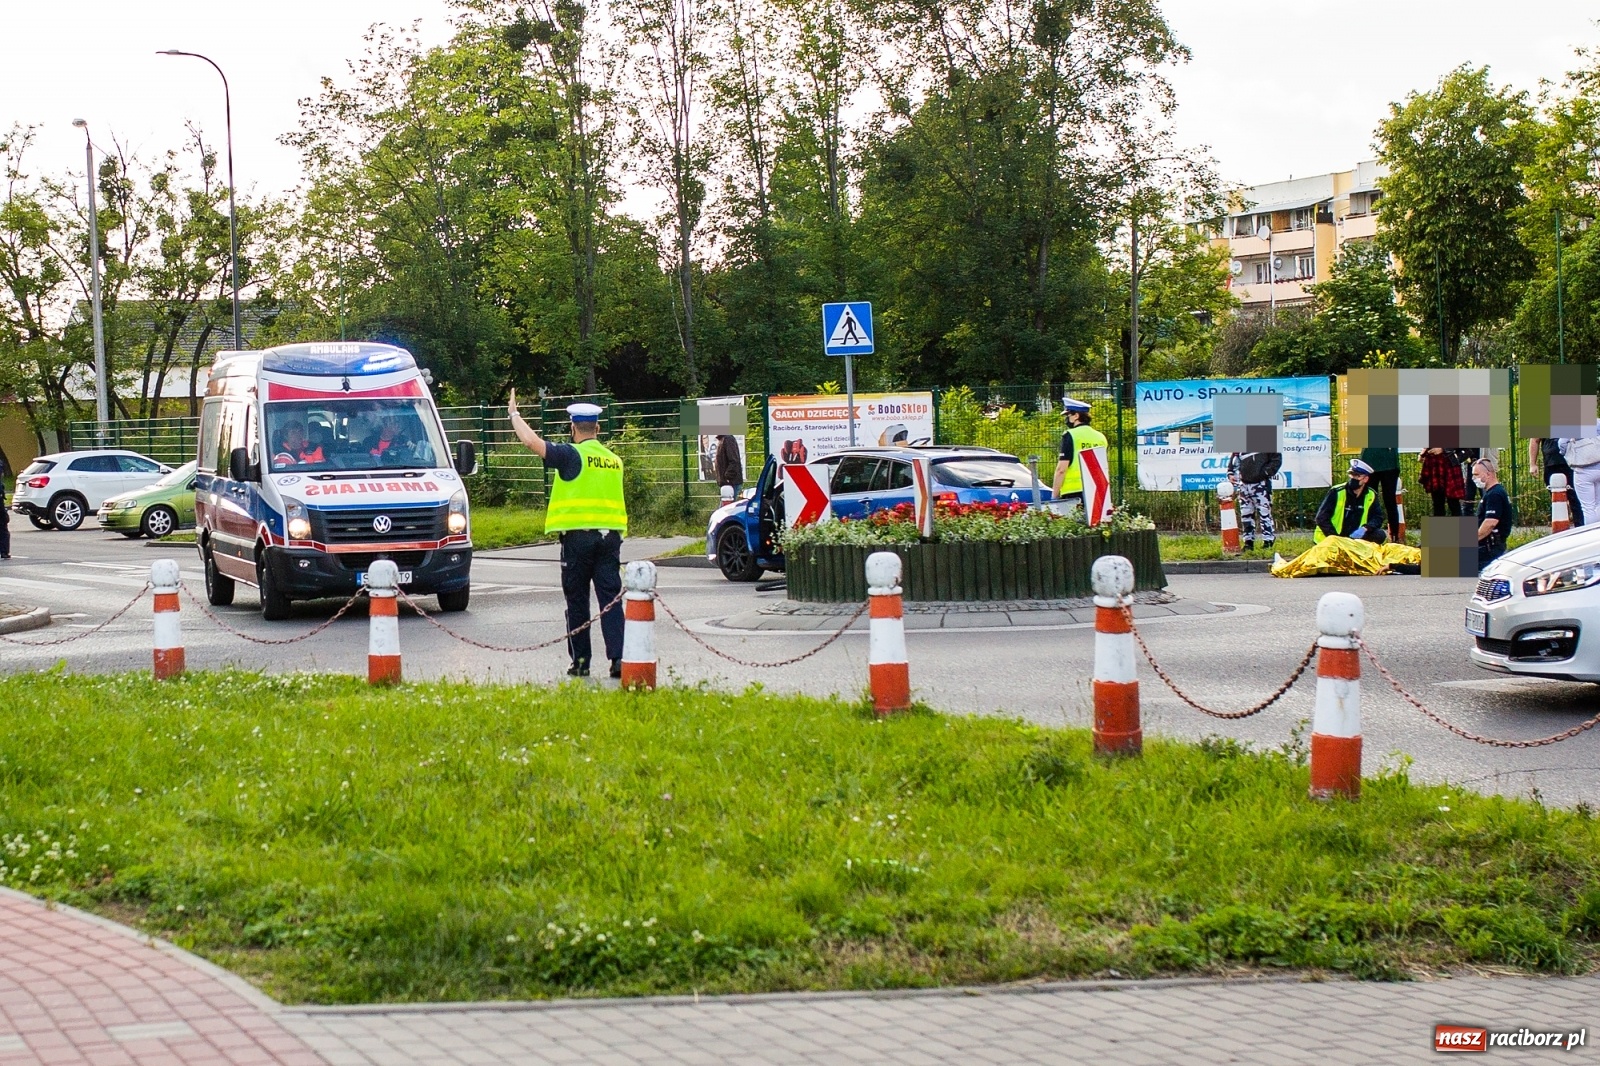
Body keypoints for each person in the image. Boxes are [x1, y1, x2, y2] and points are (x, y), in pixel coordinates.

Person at [509, 393, 628, 678]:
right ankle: (619, 659)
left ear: (573, 428)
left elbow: (531, 442)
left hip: (578, 540)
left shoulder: (571, 455)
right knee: (610, 600)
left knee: (577, 601)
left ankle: (582, 662)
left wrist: (514, 414)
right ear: (598, 429)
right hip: (610, 539)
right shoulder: (614, 460)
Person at [1052, 396, 1107, 512]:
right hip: (1097, 490)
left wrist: (1054, 496)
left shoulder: (1070, 435)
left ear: (1076, 416)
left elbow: (1061, 469)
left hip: (1073, 493)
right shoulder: (1101, 437)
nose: (1067, 419)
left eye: (1068, 415)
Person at [1314, 458, 1388, 543]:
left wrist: (1365, 528)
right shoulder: (1336, 492)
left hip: (1354, 537)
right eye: (1352, 474)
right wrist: (1335, 538)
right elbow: (1321, 518)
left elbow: (1377, 517)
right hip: (1332, 536)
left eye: (1357, 475)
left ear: (1365, 479)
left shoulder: (1370, 495)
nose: (1353, 478)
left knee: (1379, 535)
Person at [1530, 436, 1584, 526]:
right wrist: (1532, 464)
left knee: (1576, 499)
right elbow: (1535, 440)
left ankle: (1581, 528)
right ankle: (1561, 528)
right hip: (1551, 464)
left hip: (1573, 463)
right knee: (1556, 498)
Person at [1472, 457, 1514, 571]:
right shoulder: (1494, 492)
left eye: (1476, 474)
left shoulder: (1494, 495)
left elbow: (1490, 523)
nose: (1474, 478)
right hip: (1488, 546)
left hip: (1489, 549)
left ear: (1488, 474)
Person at [1359, 445, 1402, 543]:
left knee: (1390, 501)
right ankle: (1369, 535)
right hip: (1369, 463)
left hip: (1389, 464)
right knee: (1369, 501)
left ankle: (1395, 538)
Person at [1421, 446, 1465, 518]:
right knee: (1437, 503)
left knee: (1453, 503)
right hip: (1434, 466)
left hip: (1450, 465)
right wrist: (1423, 452)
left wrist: (1443, 449)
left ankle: (1460, 528)